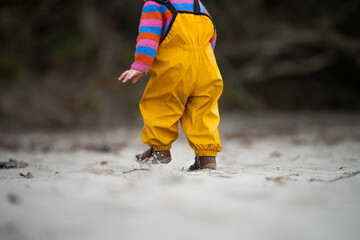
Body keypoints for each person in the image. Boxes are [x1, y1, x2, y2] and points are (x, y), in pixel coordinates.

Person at [118, 0, 223, 170]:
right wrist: (202, 60)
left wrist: (141, 65)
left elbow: (149, 37)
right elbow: (212, 37)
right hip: (207, 69)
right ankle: (206, 157)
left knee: (161, 105)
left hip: (174, 68)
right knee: (203, 112)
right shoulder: (197, 4)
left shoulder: (156, 5)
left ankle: (160, 151)